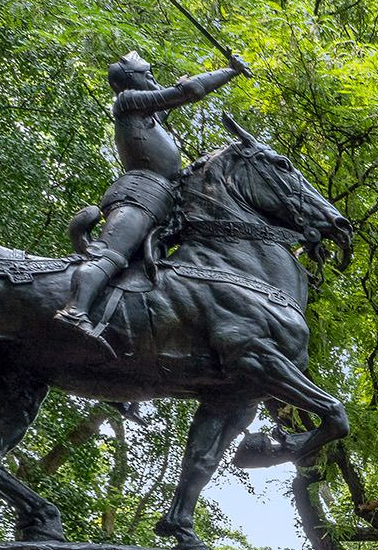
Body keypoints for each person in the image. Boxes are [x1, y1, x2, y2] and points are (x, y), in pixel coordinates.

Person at [54, 51, 245, 346]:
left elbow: (172, 98)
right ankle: (74, 311)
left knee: (143, 273)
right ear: (133, 80)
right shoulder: (128, 101)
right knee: (111, 255)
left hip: (161, 202)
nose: (154, 79)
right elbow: (188, 92)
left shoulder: (148, 115)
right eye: (148, 74)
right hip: (139, 195)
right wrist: (229, 71)